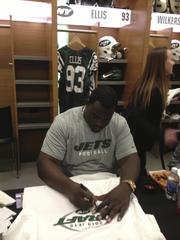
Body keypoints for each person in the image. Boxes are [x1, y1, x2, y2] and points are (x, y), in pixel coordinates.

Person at [37, 86, 140, 223]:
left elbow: (131, 158)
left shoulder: (119, 123)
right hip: (72, 182)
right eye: (95, 116)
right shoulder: (64, 122)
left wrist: (127, 186)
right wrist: (68, 187)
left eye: (106, 119)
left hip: (108, 183)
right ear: (87, 105)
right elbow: (44, 163)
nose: (99, 123)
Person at [122, 46, 178, 177]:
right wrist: (162, 134)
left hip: (136, 143)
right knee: (137, 177)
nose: (174, 62)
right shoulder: (154, 91)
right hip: (135, 144)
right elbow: (136, 119)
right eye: (170, 59)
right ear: (161, 64)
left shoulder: (147, 85)